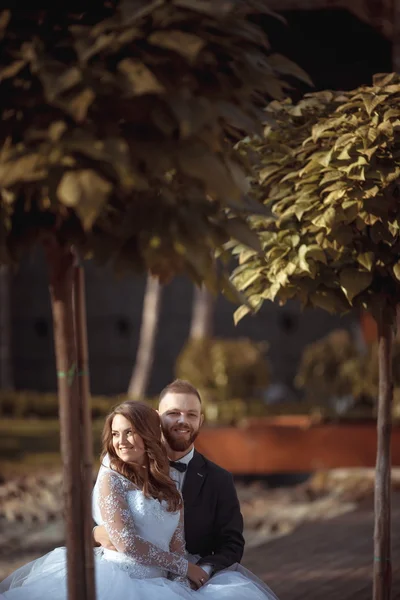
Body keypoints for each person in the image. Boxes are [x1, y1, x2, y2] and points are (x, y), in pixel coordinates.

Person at [0, 399, 278, 600]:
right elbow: (126, 542)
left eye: (129, 432)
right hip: (120, 582)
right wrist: (185, 567)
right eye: (115, 434)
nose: (121, 441)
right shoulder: (112, 479)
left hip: (163, 584)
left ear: (148, 435)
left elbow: (177, 543)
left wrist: (182, 584)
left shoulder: (167, 483)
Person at [93, 379, 244, 576]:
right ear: (156, 417)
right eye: (173, 413)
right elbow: (93, 516)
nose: (182, 421)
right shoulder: (117, 462)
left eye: (191, 414)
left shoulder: (219, 479)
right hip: (120, 576)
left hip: (190, 578)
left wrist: (201, 572)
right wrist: (96, 534)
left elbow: (231, 544)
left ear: (201, 420)